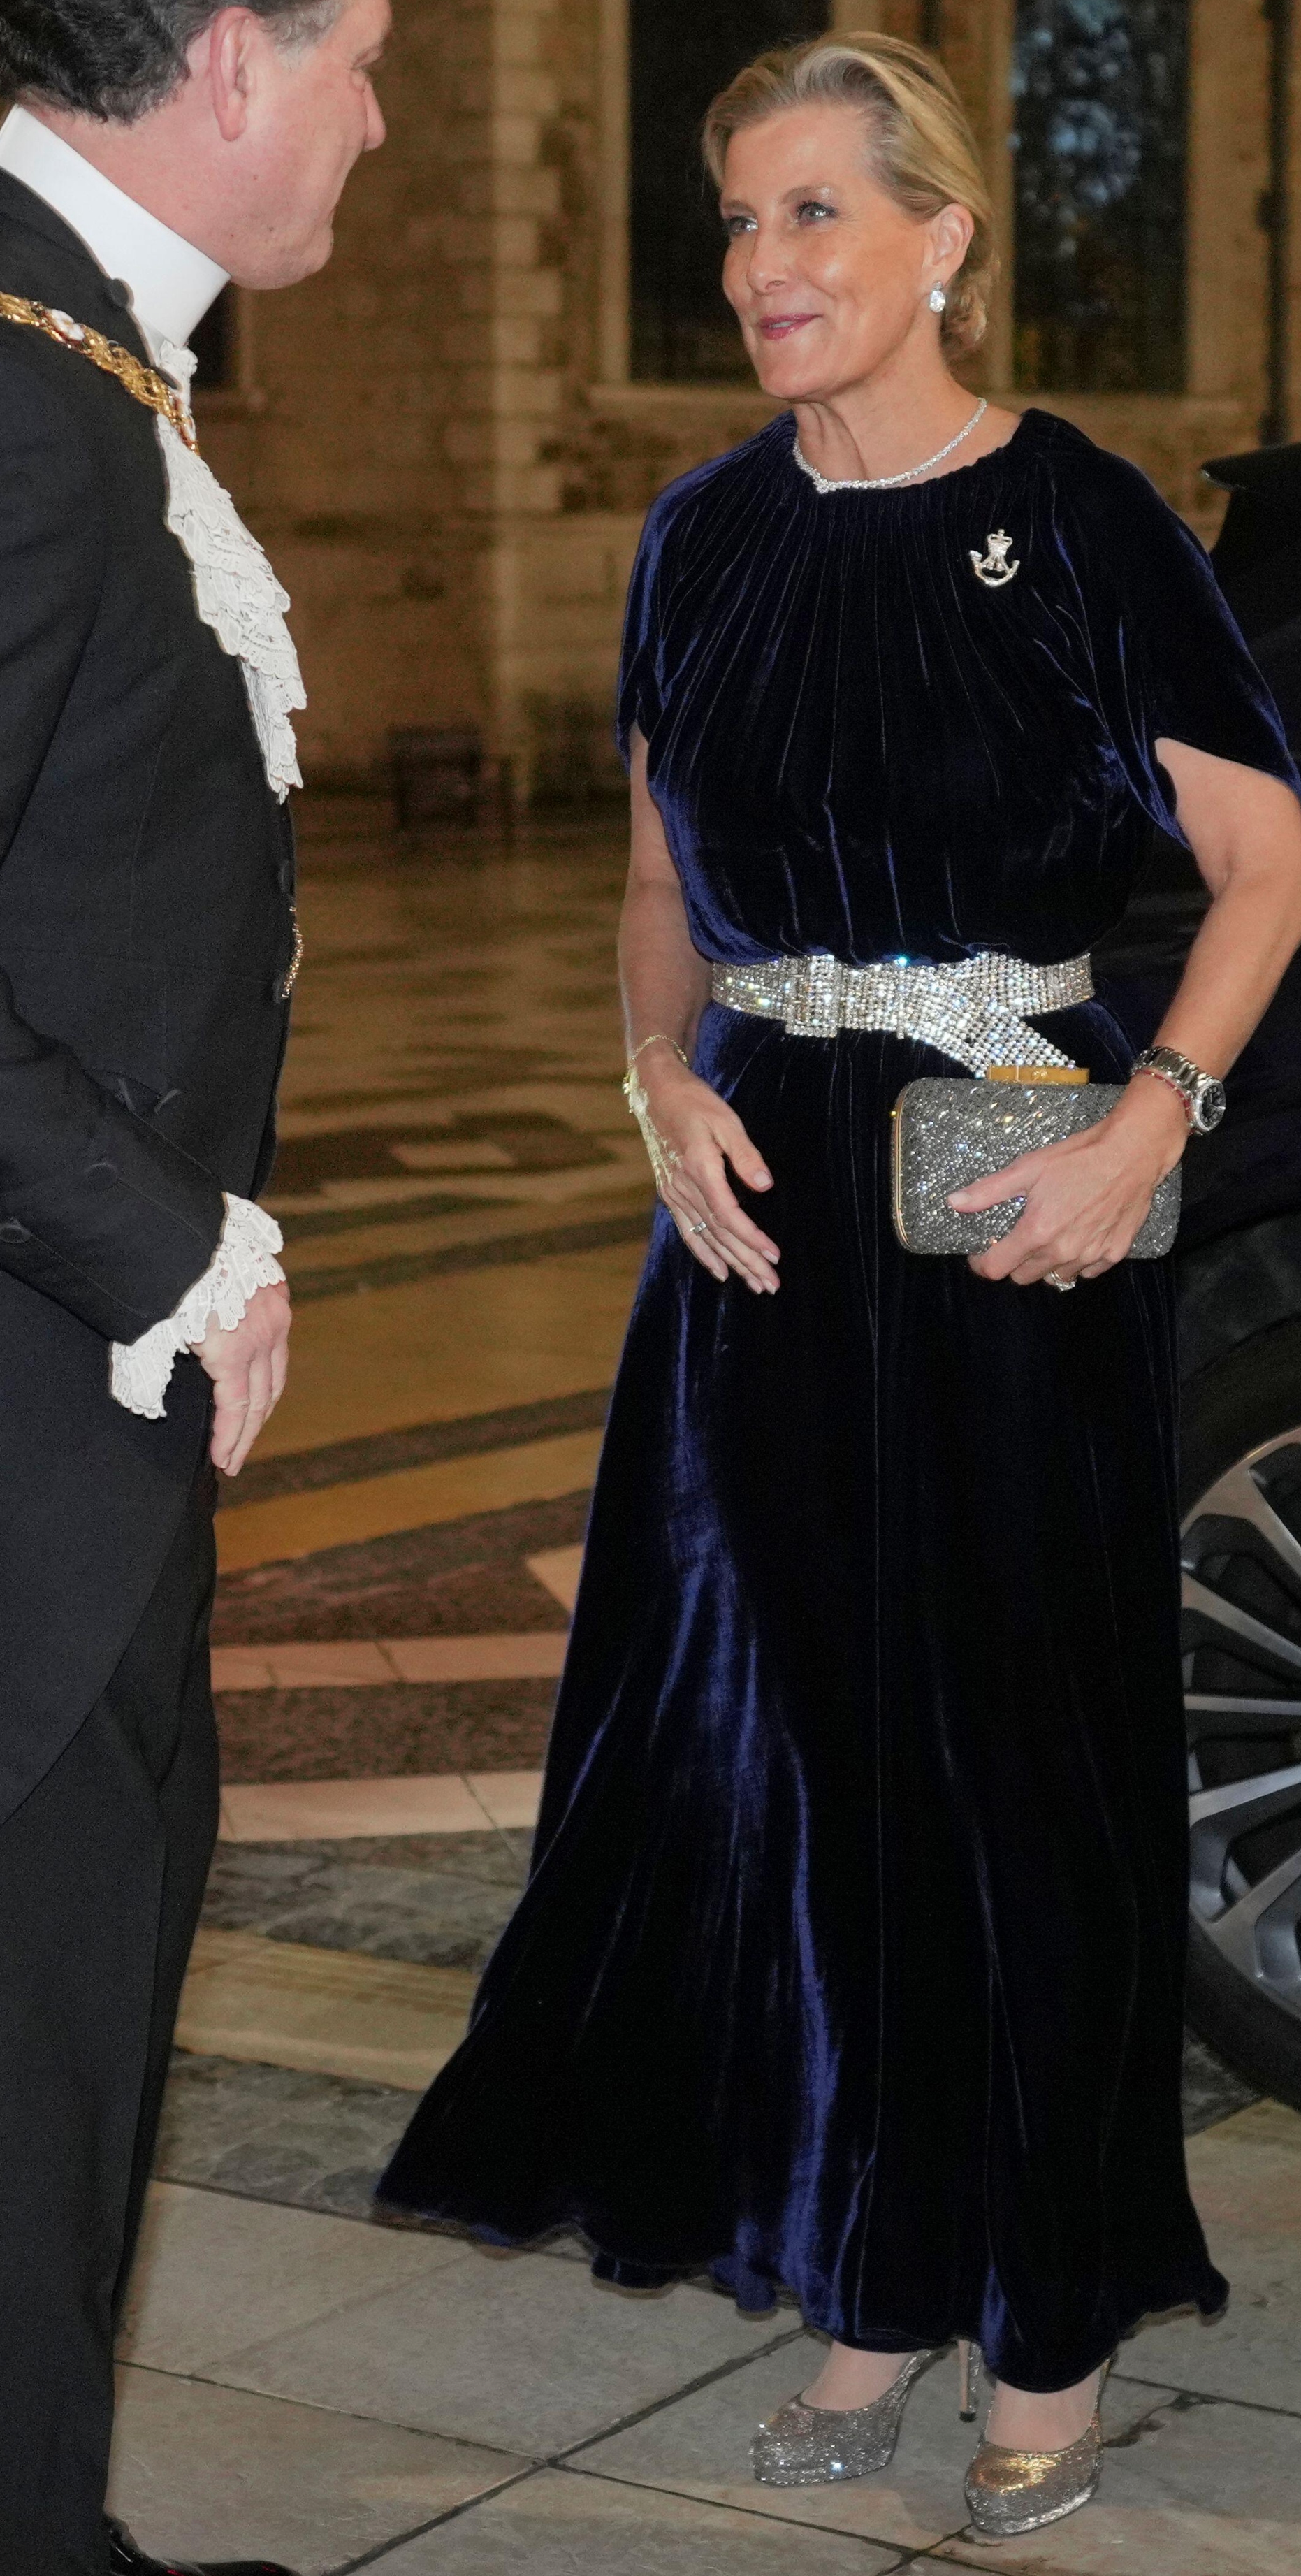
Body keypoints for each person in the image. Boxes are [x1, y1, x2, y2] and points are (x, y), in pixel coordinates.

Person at [379, 31, 1301, 2544]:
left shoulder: (1079, 519)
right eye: (736, 221)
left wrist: (1153, 1121)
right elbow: (656, 887)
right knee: (801, 1759)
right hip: (765, 1210)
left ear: (941, 238)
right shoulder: (699, 539)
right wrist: (649, 1083)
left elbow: (1262, 869)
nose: (762, 265)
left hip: (1012, 1188)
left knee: (1021, 1757)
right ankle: (873, 2271)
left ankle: (1045, 2311)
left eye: (813, 212)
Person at [0, 2, 386, 2568]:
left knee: (68, 2049)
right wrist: (178, 1246)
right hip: (30, 1418)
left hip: (81, 1416)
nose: (380, 117)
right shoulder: (19, 399)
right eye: (363, 56)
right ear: (232, 59)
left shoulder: (76, 350)